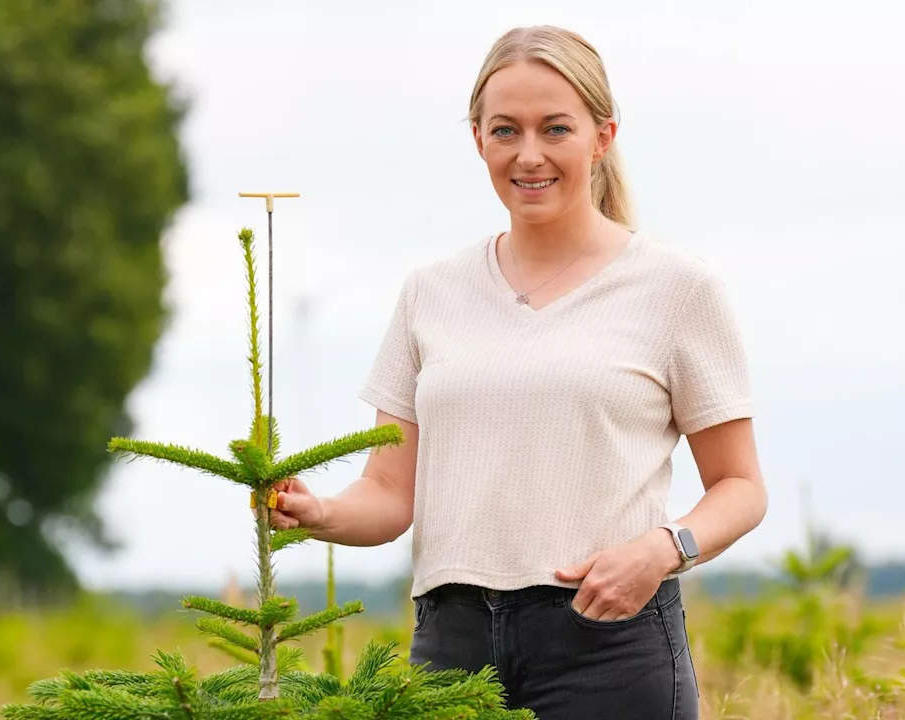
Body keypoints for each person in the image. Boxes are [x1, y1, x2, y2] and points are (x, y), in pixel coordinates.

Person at [268, 25, 767, 720]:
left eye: (555, 128)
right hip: (451, 647)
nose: (529, 155)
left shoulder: (676, 289)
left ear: (603, 136)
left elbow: (741, 487)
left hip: (611, 645)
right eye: (506, 131)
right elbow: (388, 489)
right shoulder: (429, 293)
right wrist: (317, 513)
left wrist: (661, 551)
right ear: (477, 139)